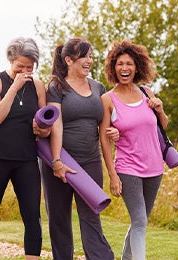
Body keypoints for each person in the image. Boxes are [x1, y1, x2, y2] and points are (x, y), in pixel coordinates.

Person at [0, 37, 50, 260]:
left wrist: (42, 130)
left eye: (30, 68)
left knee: (32, 217)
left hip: (26, 160)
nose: (25, 71)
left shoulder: (39, 86)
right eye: (20, 67)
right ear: (10, 60)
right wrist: (14, 87)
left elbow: (45, 126)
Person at [40, 37, 117, 260]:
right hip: (61, 160)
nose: (89, 61)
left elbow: (106, 126)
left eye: (91, 56)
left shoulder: (98, 87)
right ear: (69, 59)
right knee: (59, 218)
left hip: (90, 160)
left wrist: (115, 132)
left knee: (91, 215)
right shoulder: (56, 87)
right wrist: (56, 161)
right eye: (84, 56)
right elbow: (56, 123)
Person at [99, 39, 169, 260]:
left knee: (141, 221)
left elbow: (162, 127)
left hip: (155, 167)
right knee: (139, 221)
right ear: (113, 68)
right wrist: (112, 175)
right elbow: (104, 139)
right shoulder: (107, 100)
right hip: (128, 168)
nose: (124, 68)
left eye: (129, 63)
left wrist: (160, 109)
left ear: (137, 67)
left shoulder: (146, 92)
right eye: (119, 64)